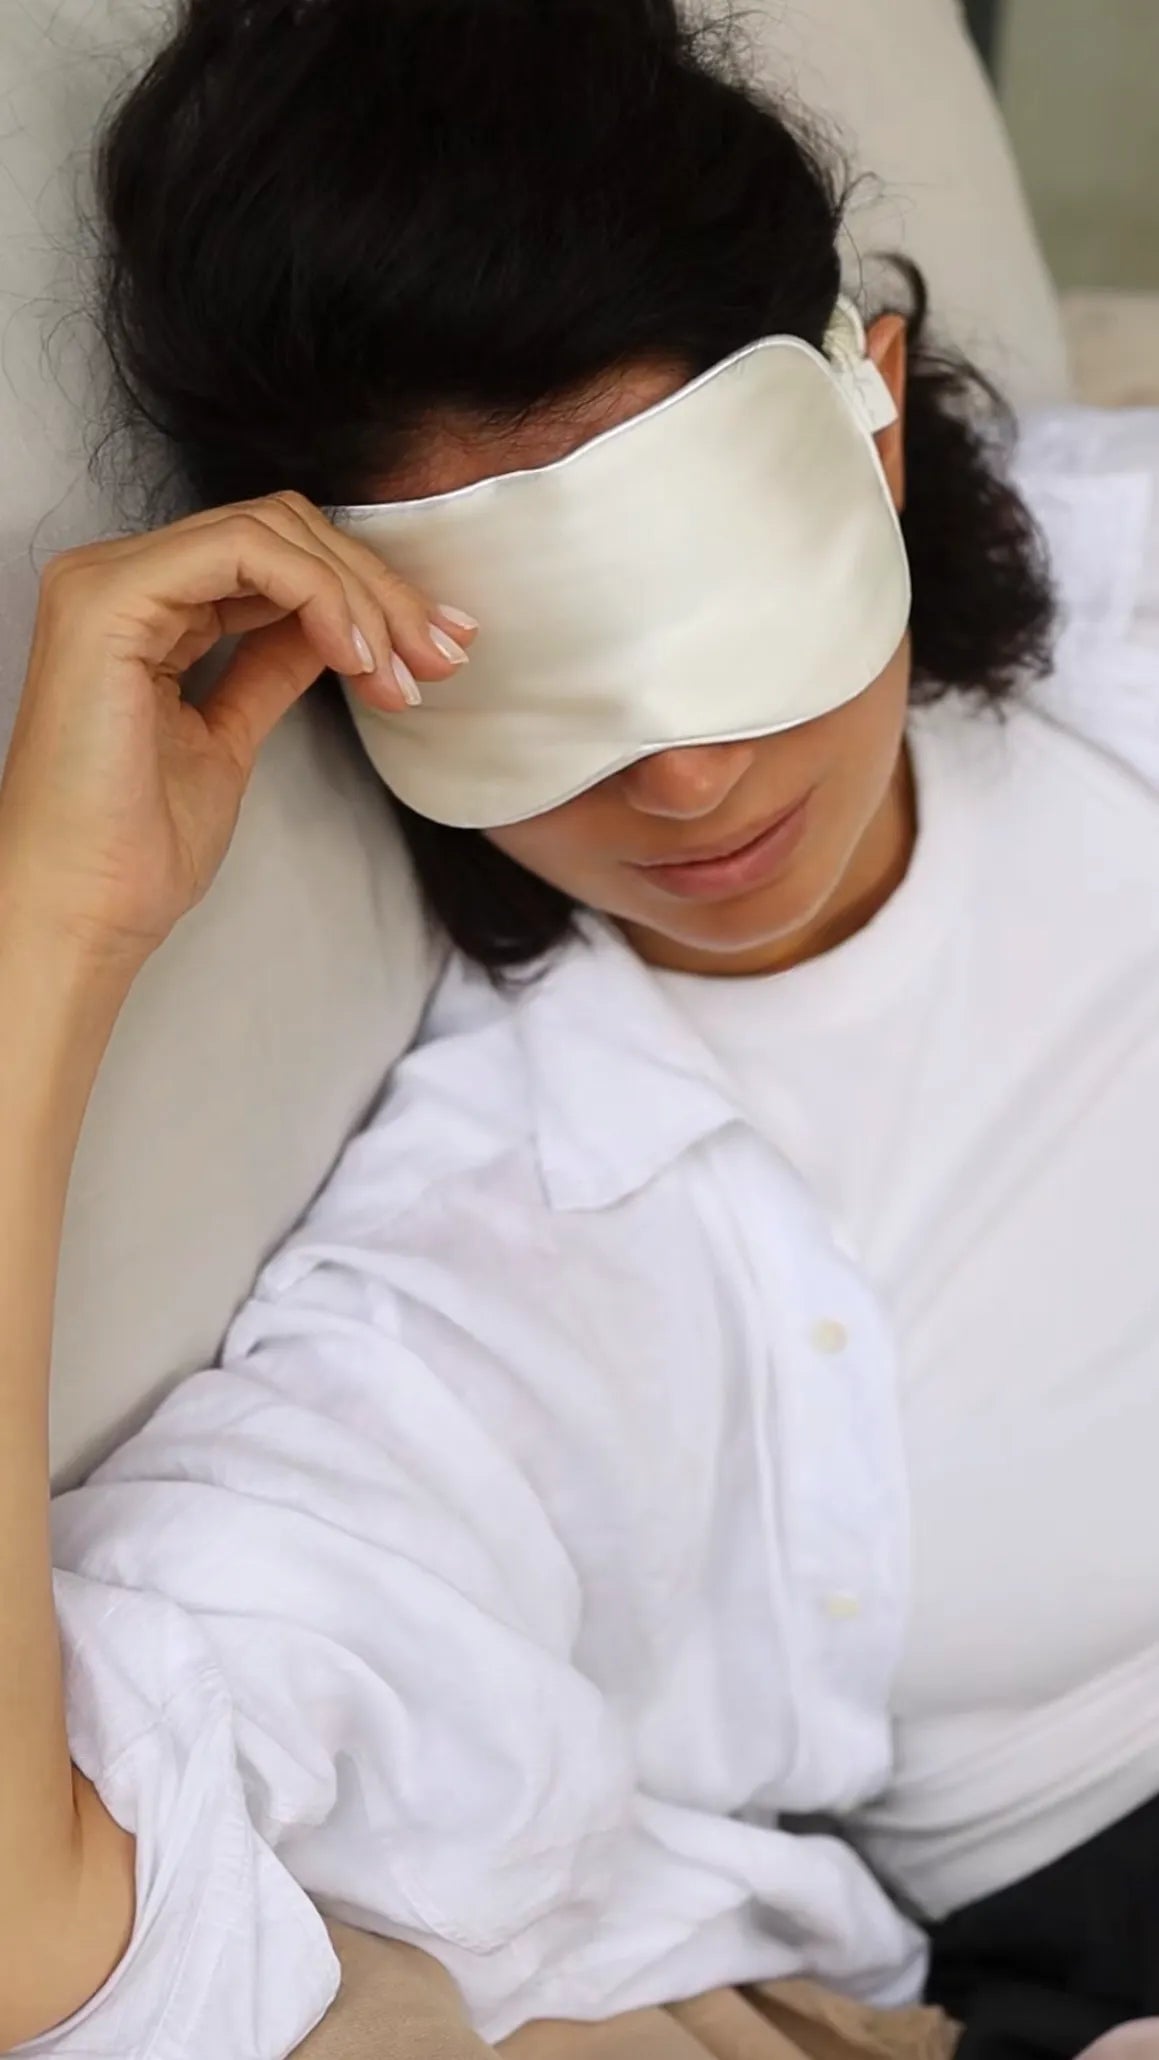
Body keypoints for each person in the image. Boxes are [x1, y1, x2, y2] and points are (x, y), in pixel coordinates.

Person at [0, 1, 1155, 2056]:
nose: (684, 780)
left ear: (870, 427)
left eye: (719, 599)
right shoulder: (496, 1279)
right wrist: (51, 941)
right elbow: (50, 1943)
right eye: (512, 669)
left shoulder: (1118, 601)